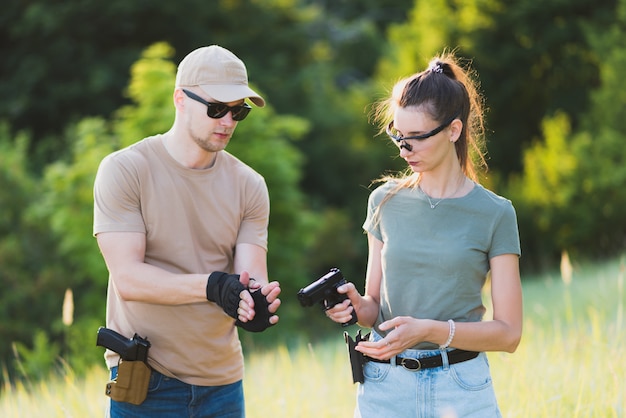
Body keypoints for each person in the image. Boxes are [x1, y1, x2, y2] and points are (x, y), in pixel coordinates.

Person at [326, 52, 522, 417]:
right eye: (398, 136)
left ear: (453, 130)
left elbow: (509, 334)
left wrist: (430, 330)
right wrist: (355, 305)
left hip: (462, 389)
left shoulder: (495, 213)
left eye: (416, 137)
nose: (404, 149)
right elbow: (375, 311)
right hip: (385, 390)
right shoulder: (383, 201)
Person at [93, 45, 281, 418]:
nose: (227, 121)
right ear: (180, 98)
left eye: (238, 111)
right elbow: (129, 279)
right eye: (216, 108)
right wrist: (213, 287)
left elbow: (250, 274)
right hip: (147, 382)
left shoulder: (250, 185)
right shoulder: (126, 170)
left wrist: (255, 304)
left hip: (223, 384)